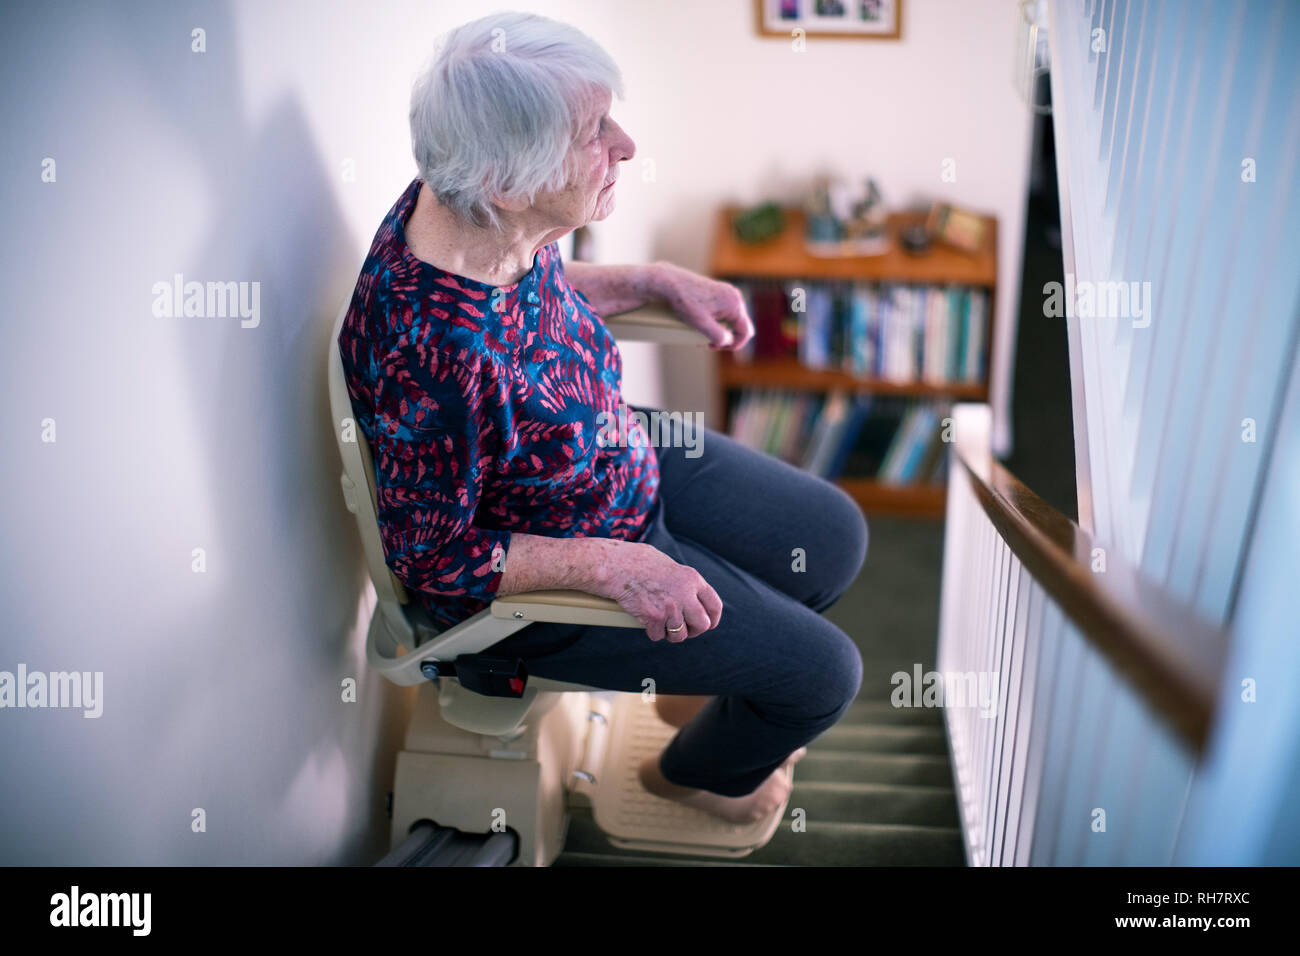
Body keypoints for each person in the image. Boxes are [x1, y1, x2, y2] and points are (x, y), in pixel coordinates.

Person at [339, 11, 866, 825]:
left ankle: (712, 698)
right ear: (509, 184)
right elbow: (430, 557)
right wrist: (613, 568)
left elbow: (529, 295)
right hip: (555, 566)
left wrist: (651, 281)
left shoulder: (472, 208)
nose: (624, 142)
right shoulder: (432, 357)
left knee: (831, 538)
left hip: (611, 450)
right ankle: (691, 777)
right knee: (823, 676)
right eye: (595, 132)